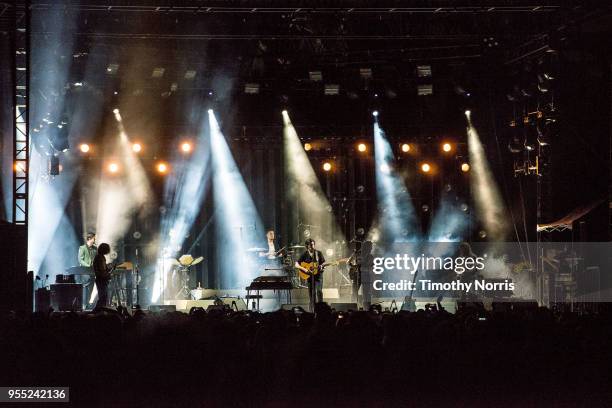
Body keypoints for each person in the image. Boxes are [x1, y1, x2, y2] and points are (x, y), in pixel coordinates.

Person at [295, 238, 328, 310]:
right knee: (312, 294)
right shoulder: (305, 254)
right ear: (307, 246)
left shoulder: (318, 253)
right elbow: (296, 264)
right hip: (309, 277)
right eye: (311, 245)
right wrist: (305, 269)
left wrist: (322, 267)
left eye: (313, 244)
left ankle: (321, 309)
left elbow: (323, 263)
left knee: (319, 292)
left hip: (318, 276)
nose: (312, 246)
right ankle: (312, 310)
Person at [93, 243, 114, 310]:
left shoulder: (99, 257)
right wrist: (109, 271)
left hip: (100, 279)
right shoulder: (100, 257)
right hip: (101, 279)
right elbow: (102, 271)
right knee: (103, 297)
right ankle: (96, 311)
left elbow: (103, 269)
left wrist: (108, 267)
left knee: (103, 297)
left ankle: (98, 311)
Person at [78, 232, 97, 306]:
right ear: (89, 239)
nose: (95, 240)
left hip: (92, 271)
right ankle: (84, 304)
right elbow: (80, 260)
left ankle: (88, 303)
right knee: (86, 287)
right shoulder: (82, 248)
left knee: (91, 288)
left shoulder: (95, 248)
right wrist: (88, 265)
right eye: (94, 238)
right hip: (85, 271)